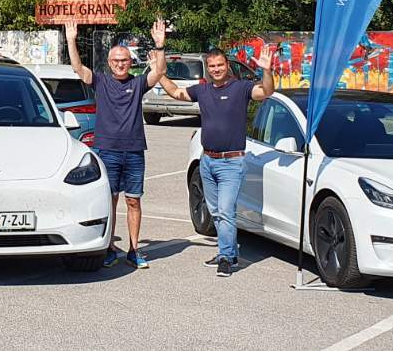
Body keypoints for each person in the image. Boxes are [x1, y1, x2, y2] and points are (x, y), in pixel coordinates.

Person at [157, 45, 276, 276]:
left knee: (225, 210)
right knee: (216, 212)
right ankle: (228, 252)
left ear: (227, 65)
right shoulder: (202, 91)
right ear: (208, 69)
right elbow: (175, 93)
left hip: (231, 163)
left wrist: (267, 71)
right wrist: (159, 73)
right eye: (212, 66)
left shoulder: (241, 88)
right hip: (207, 161)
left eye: (220, 65)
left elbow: (267, 92)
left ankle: (226, 258)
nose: (216, 69)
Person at [66, 17, 166, 269]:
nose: (120, 64)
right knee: (109, 200)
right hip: (106, 151)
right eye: (116, 61)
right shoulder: (101, 81)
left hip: (133, 151)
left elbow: (159, 72)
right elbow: (78, 68)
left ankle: (134, 250)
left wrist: (160, 46)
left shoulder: (137, 83)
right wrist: (71, 40)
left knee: (133, 200)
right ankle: (109, 247)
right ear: (109, 63)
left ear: (130, 62)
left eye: (124, 60)